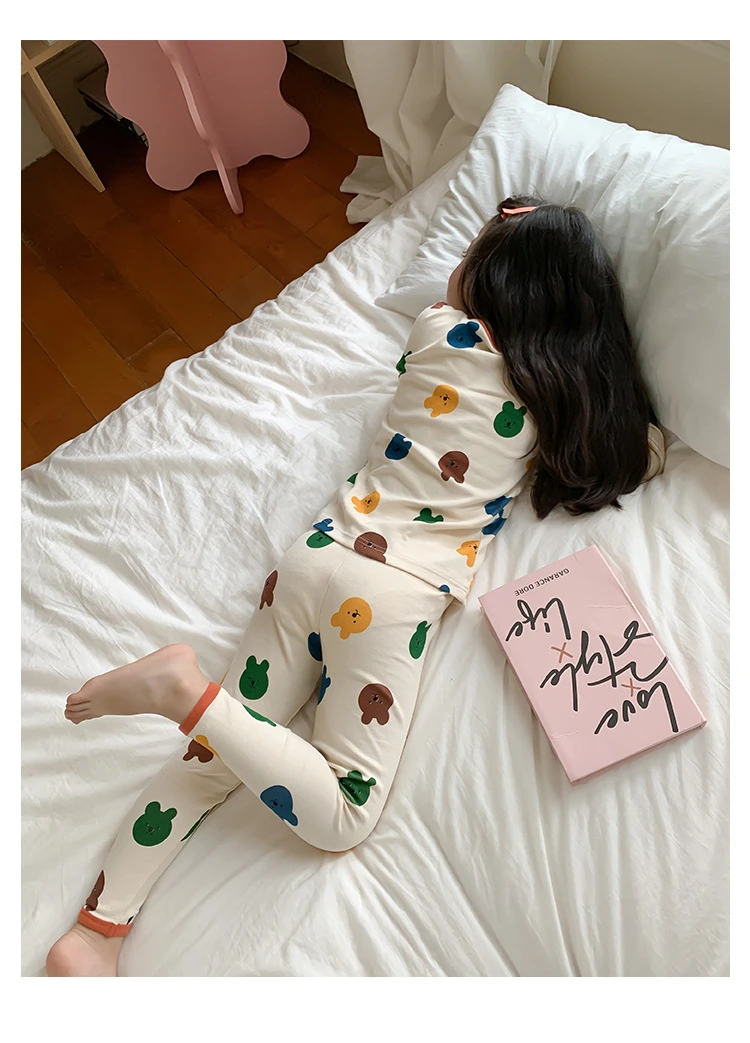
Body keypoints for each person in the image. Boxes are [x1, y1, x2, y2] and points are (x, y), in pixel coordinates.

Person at [45, 196, 665, 976]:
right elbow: (639, 452)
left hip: (315, 556)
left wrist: (499, 237)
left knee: (210, 760)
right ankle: (185, 694)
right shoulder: (556, 396)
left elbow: (452, 292)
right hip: (393, 597)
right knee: (343, 813)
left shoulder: (436, 332)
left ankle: (95, 930)